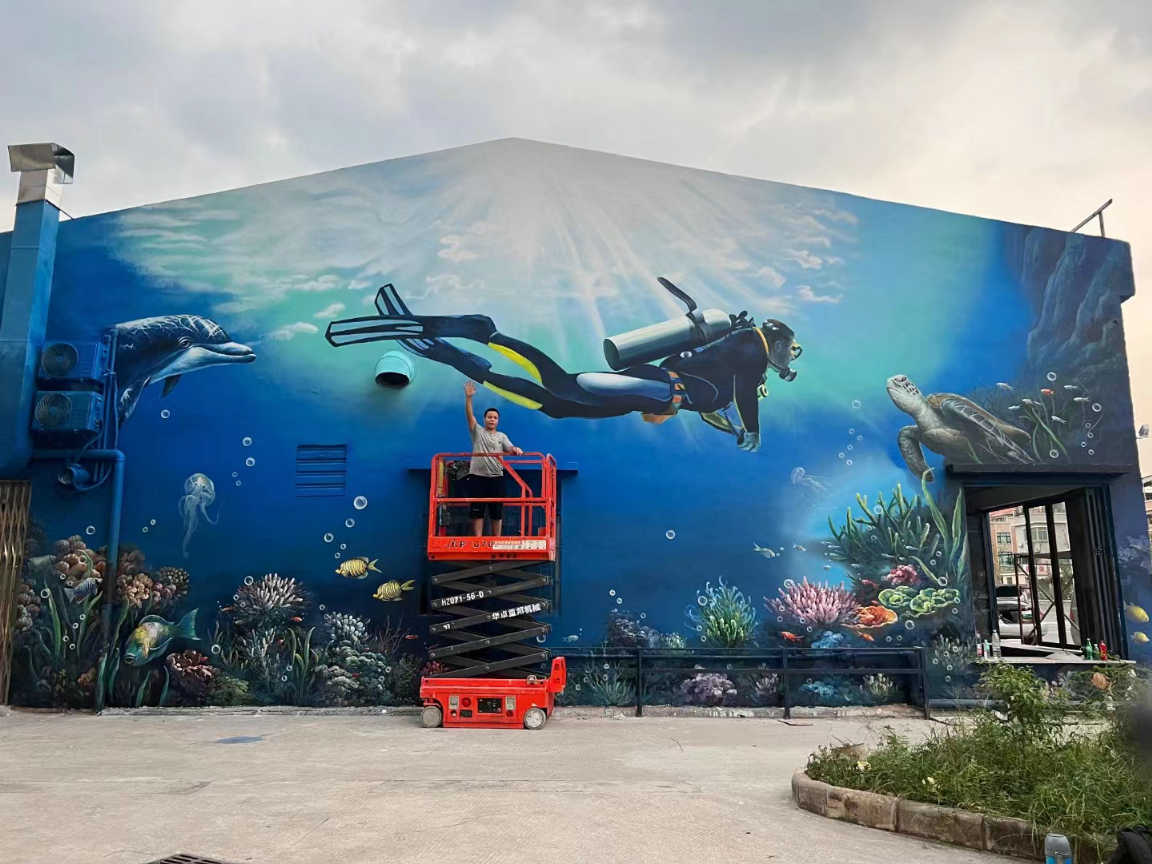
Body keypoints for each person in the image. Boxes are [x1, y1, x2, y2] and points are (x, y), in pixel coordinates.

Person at [326, 281, 801, 453]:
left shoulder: (740, 359)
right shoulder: (750, 346)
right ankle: (481, 338)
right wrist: (754, 429)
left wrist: (736, 430)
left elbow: (720, 402)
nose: (786, 358)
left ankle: (468, 353)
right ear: (776, 342)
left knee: (555, 399)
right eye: (789, 349)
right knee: (563, 388)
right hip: (657, 388)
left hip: (657, 394)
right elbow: (740, 392)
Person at [464, 380, 523, 536]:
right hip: (477, 477)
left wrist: (516, 449)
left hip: (496, 477)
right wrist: (469, 398)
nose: (492, 419)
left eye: (495, 417)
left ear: (498, 421)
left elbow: (510, 448)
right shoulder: (477, 432)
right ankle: (478, 540)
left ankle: (496, 539)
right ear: (484, 419)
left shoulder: (501, 436)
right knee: (477, 511)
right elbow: (470, 417)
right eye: (489, 417)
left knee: (496, 512)